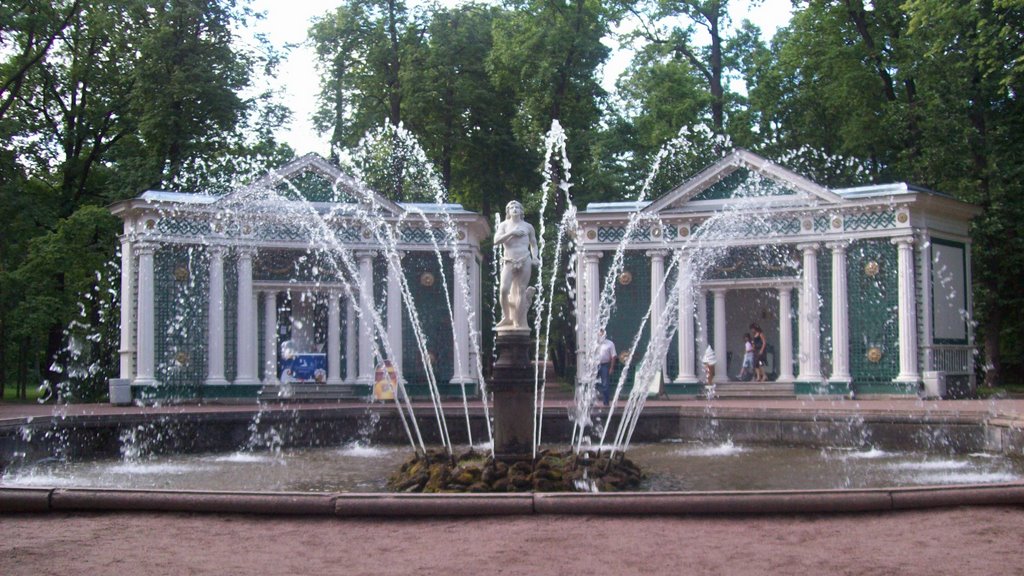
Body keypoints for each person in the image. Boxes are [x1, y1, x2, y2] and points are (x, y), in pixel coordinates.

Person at [494, 200, 539, 330]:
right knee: (503, 290)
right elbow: (496, 241)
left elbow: (534, 244)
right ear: (508, 211)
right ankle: (507, 317)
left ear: (521, 211)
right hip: (508, 260)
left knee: (521, 290)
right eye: (511, 207)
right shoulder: (504, 225)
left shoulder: (528, 226)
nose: (514, 209)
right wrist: (512, 233)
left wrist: (535, 257)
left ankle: (517, 321)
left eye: (517, 207)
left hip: (525, 259)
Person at [596, 329, 616, 406]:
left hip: (605, 365)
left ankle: (606, 402)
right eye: (599, 335)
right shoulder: (595, 343)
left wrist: (611, 368)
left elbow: (613, 356)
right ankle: (591, 402)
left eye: (602, 334)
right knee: (593, 383)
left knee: (605, 384)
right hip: (595, 365)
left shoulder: (610, 344)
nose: (600, 336)